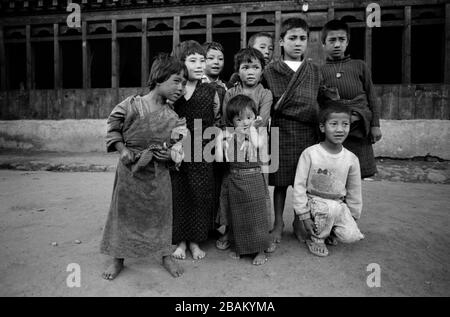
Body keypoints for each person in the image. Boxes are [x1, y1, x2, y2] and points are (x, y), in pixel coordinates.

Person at [100, 53, 188, 280]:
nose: (181, 87)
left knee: (161, 214)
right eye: (176, 81)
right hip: (130, 171)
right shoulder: (130, 105)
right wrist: (123, 149)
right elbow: (113, 128)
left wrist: (169, 154)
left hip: (158, 174)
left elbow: (179, 149)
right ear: (158, 78)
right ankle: (118, 258)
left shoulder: (174, 118)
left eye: (184, 83)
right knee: (124, 214)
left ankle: (164, 254)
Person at [263, 18, 321, 246]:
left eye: (302, 39)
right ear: (281, 41)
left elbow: (322, 98)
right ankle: (278, 223)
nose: (298, 43)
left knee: (304, 181)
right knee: (280, 181)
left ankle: (299, 220)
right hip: (282, 129)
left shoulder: (314, 70)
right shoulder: (271, 70)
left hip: (308, 130)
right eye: (292, 38)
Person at [215, 48, 273, 251]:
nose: (250, 72)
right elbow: (225, 119)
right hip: (232, 145)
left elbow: (262, 120)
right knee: (229, 189)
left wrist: (250, 133)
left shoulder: (265, 94)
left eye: (255, 67)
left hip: (257, 146)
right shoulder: (230, 92)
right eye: (245, 67)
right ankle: (230, 230)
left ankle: (260, 234)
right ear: (238, 71)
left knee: (258, 193)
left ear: (262, 71)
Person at [292, 104, 365, 257]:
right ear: (322, 127)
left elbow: (354, 191)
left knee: (351, 235)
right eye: (333, 124)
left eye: (345, 124)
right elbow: (298, 186)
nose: (340, 129)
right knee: (329, 208)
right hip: (314, 202)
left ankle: (329, 229)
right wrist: (303, 216)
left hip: (338, 204)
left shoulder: (351, 159)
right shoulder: (310, 153)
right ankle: (316, 238)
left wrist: (352, 216)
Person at [170, 40, 221, 261]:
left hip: (203, 149)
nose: (200, 65)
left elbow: (217, 119)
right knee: (179, 194)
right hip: (179, 151)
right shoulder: (175, 90)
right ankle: (180, 241)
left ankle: (194, 242)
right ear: (181, 64)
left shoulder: (212, 91)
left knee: (200, 195)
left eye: (203, 60)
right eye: (193, 61)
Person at [320, 19, 382, 178]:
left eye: (341, 40)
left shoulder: (359, 65)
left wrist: (375, 125)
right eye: (331, 40)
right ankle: (335, 204)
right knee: (335, 174)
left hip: (359, 127)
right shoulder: (319, 70)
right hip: (334, 129)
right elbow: (319, 102)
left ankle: (354, 203)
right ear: (323, 44)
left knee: (356, 174)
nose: (337, 44)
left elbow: (372, 97)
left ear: (347, 42)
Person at [216, 95, 271, 265]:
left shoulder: (259, 133)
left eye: (249, 117)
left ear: (255, 117)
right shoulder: (228, 137)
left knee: (257, 217)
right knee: (237, 217)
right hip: (235, 179)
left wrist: (253, 129)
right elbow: (219, 160)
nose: (245, 122)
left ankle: (260, 250)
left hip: (254, 179)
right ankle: (240, 247)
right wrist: (219, 141)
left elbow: (258, 144)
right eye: (239, 119)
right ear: (232, 122)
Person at [202, 41, 227, 107]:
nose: (216, 62)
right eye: (211, 58)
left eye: (220, 59)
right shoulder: (194, 85)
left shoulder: (227, 87)